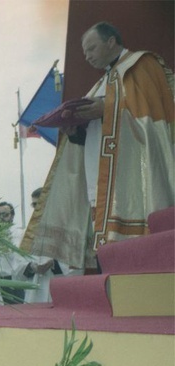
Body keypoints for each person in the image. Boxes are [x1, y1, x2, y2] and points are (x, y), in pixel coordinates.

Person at [25, 22, 174, 271]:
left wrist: (106, 108)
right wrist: (76, 132)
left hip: (133, 178)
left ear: (111, 42)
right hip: (101, 178)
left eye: (91, 48)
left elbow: (152, 118)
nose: (88, 56)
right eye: (85, 52)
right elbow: (98, 136)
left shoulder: (141, 65)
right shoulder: (102, 82)